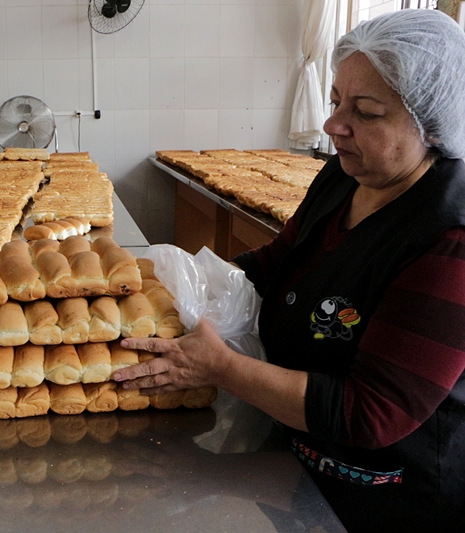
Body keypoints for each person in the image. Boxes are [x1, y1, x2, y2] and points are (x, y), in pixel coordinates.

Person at [113, 9, 465, 533]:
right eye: (336, 101)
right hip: (296, 467)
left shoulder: (449, 240)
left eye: (366, 112)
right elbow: (274, 263)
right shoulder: (345, 177)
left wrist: (220, 367)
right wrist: (175, 286)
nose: (333, 125)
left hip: (385, 498)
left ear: (431, 126)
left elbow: (371, 413)